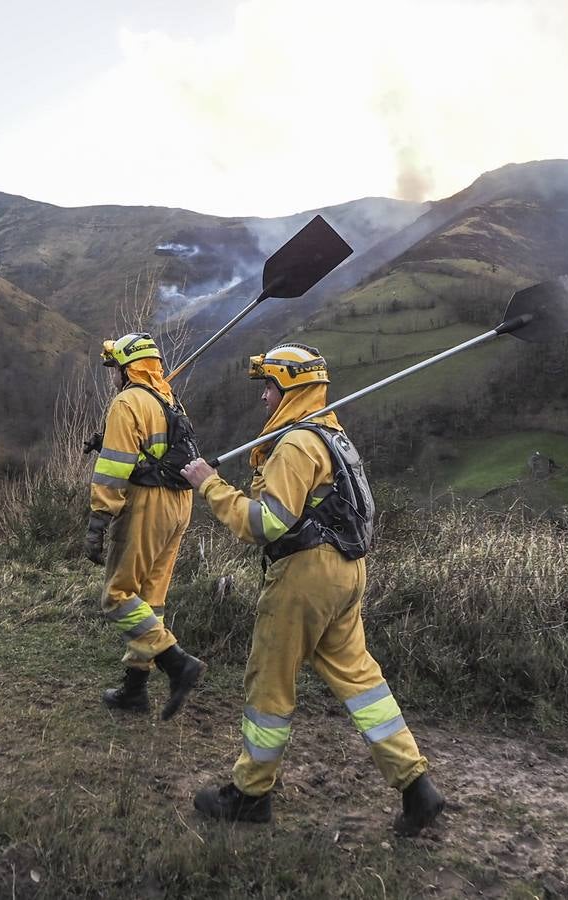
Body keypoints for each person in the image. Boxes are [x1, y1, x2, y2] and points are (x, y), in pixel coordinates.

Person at [178, 343, 444, 836]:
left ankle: (251, 795)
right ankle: (416, 786)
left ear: (291, 387)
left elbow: (266, 524)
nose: (262, 396)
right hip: (346, 571)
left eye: (269, 386)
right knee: (361, 682)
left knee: (269, 682)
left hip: (305, 575)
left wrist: (210, 485)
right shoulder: (333, 437)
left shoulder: (297, 444)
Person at [86, 332, 206, 720]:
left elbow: (114, 467)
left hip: (148, 503)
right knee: (150, 600)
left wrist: (99, 519)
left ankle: (176, 663)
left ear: (126, 368)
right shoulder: (169, 398)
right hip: (180, 505)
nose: (111, 377)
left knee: (118, 595)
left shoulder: (127, 401)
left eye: (113, 369)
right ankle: (135, 690)